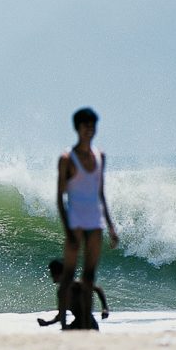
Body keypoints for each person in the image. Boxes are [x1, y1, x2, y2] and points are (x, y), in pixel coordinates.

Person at [55, 108, 118, 330]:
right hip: (76, 221)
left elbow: (101, 193)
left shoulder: (100, 156)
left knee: (89, 277)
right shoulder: (67, 159)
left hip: (95, 221)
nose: (89, 129)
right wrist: (68, 229)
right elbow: (60, 197)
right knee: (68, 276)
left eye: (92, 125)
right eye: (85, 125)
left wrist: (110, 226)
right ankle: (63, 324)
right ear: (77, 128)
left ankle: (85, 325)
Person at [38, 258, 109, 330]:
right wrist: (47, 323)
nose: (53, 279)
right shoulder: (61, 292)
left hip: (89, 324)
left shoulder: (77, 284)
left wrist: (105, 308)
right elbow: (61, 315)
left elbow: (98, 289)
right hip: (77, 323)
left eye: (53, 275)